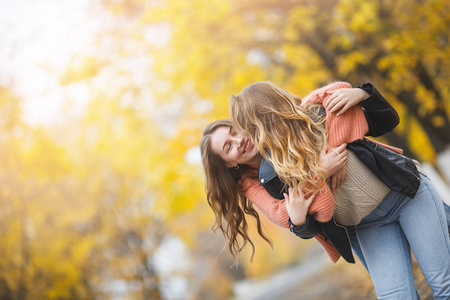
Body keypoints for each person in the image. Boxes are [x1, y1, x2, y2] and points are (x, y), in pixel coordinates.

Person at [228, 81, 450, 299]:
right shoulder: (273, 173)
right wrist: (319, 177)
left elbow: (385, 121)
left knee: (443, 284)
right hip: (370, 224)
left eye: (244, 128)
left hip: (406, 195)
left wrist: (363, 94)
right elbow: (314, 220)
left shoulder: (324, 113)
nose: (245, 136)